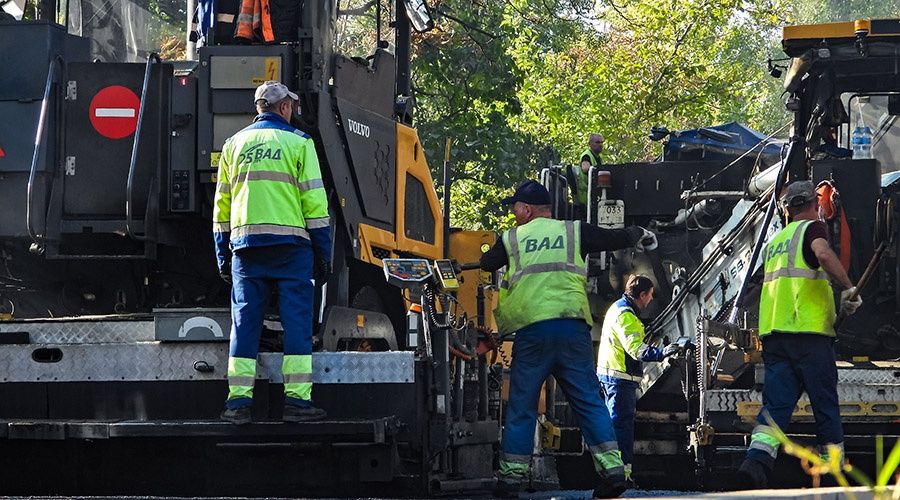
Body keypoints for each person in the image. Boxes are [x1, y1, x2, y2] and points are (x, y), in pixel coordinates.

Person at [480, 180, 657, 498]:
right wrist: (638, 234)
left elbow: (486, 263)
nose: (514, 214)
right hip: (573, 330)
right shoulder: (574, 232)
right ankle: (614, 472)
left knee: (522, 406)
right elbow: (612, 237)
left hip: (533, 333)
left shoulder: (511, 239)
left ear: (527, 209)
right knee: (590, 402)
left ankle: (510, 480)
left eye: (515, 208)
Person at [213, 81, 332, 425]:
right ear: (282, 108)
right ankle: (297, 402)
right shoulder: (299, 143)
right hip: (292, 251)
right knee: (297, 322)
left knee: (244, 324)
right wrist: (323, 253)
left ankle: (237, 403)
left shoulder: (233, 145)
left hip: (246, 251)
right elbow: (315, 203)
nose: (294, 111)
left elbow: (222, 207)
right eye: (291, 106)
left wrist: (223, 254)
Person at [737, 180, 862, 487]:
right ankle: (833, 472)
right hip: (808, 335)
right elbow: (822, 254)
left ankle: (756, 462)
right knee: (824, 403)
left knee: (777, 404)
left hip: (776, 335)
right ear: (815, 206)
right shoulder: (813, 229)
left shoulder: (776, 241)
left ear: (786, 209)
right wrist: (848, 288)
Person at [597, 274, 682, 484]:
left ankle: (614, 473)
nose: (651, 300)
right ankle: (621, 475)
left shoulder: (618, 308)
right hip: (619, 379)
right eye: (650, 295)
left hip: (611, 376)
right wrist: (664, 352)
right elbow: (637, 350)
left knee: (615, 425)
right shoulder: (627, 316)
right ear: (641, 295)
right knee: (621, 428)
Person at [571, 133, 604, 209]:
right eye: (597, 142)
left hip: (594, 195)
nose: (600, 145)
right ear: (590, 144)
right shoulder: (587, 155)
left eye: (602, 142)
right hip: (586, 197)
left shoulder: (598, 158)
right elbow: (585, 168)